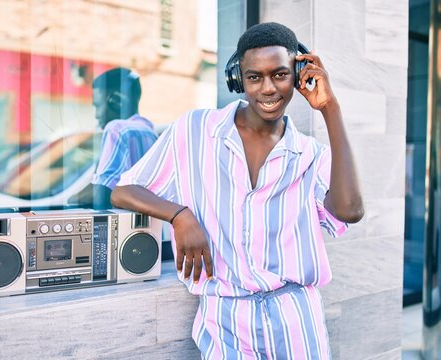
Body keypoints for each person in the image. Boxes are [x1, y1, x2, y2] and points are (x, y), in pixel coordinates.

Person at [111, 22, 364, 359]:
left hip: (295, 317)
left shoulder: (309, 154)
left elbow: (349, 211)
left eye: (280, 74)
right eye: (254, 77)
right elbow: (123, 190)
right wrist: (179, 215)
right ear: (238, 79)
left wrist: (330, 109)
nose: (268, 88)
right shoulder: (196, 130)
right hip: (225, 318)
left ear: (299, 75)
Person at [89, 67, 158, 209]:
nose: (96, 115)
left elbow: (102, 192)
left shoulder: (117, 129)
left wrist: (66, 201)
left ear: (116, 101)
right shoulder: (150, 132)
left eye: (97, 106)